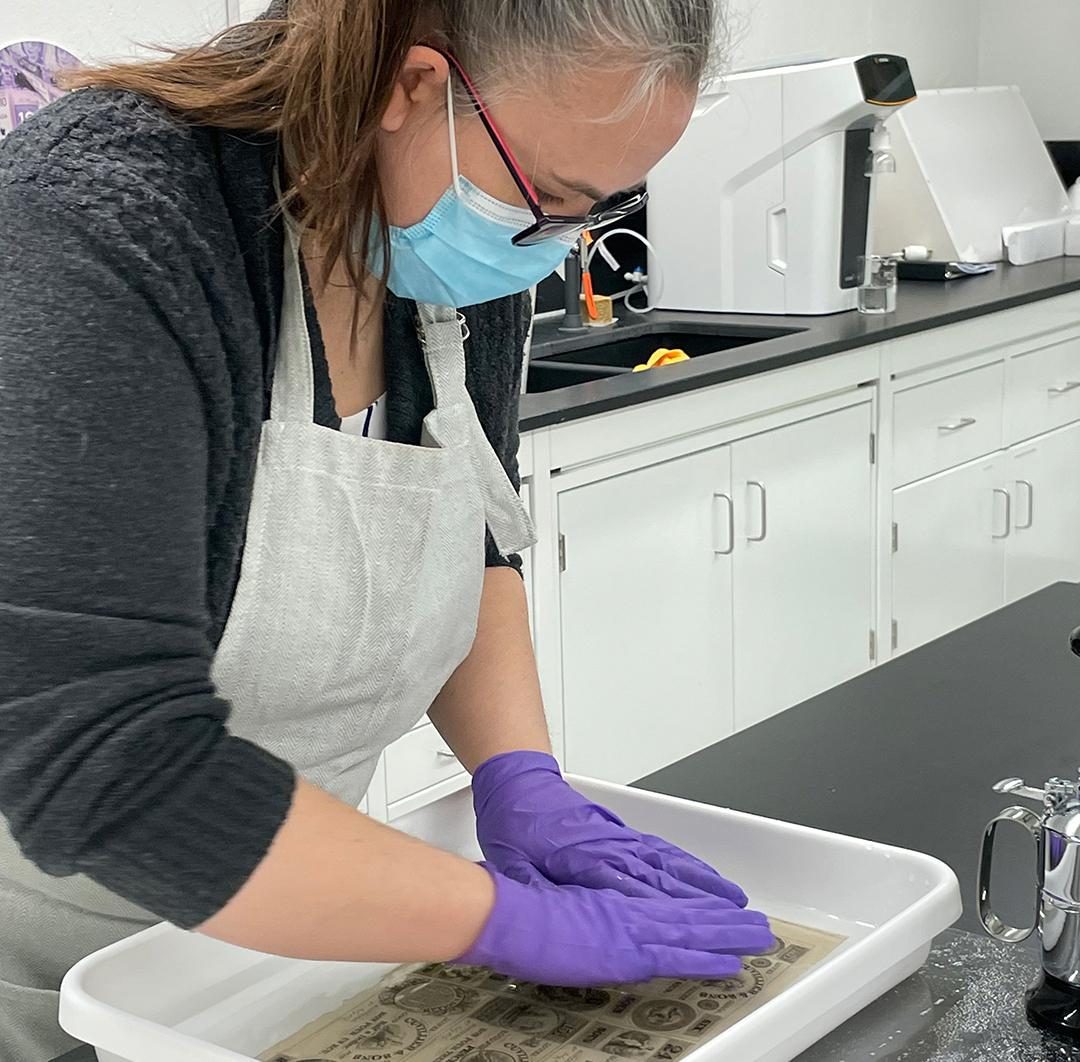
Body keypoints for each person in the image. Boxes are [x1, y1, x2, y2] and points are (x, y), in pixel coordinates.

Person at [0, 1, 773, 1056]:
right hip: (39, 966)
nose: (554, 251)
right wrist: (500, 919)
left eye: (588, 211)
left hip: (277, 933)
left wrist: (520, 777)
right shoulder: (104, 223)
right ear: (412, 89)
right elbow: (101, 755)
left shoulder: (445, 241)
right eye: (548, 198)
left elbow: (468, 525)